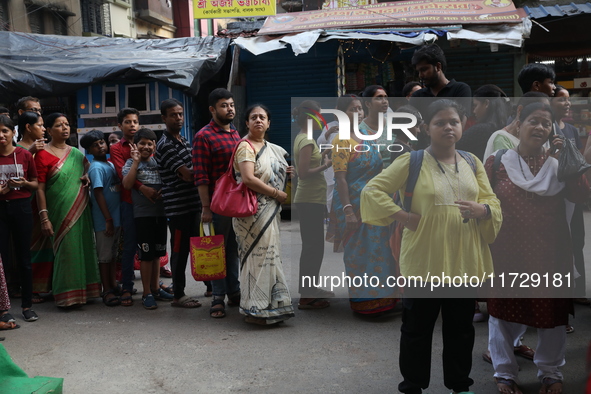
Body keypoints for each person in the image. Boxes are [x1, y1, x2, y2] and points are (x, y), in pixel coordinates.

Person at [361, 100, 501, 394]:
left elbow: (491, 200)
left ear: (462, 125)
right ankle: (412, 386)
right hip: (424, 261)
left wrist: (482, 210)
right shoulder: (411, 162)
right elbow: (373, 190)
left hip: (463, 260)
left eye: (454, 121)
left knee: (461, 330)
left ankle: (460, 385)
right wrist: (403, 216)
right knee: (416, 330)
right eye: (440, 123)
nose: (448, 127)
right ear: (427, 128)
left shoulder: (472, 163)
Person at [484, 102, 589, 394]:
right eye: (534, 121)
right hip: (506, 253)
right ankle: (504, 373)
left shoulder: (559, 166)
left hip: (550, 254)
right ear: (519, 122)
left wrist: (568, 153)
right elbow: (483, 199)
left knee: (552, 316)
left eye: (546, 123)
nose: (540, 128)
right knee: (502, 313)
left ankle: (551, 373)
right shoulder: (497, 161)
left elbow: (581, 194)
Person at [331, 96, 398, 315]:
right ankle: (363, 302)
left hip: (375, 204)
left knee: (380, 250)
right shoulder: (341, 141)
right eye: (352, 109)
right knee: (358, 252)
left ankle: (385, 301)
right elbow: (340, 179)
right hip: (353, 206)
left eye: (360, 109)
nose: (358, 113)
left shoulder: (369, 136)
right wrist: (348, 210)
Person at [231, 104, 295, 325]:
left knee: (271, 256)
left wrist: (286, 172)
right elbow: (248, 178)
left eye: (263, 117)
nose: (258, 120)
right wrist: (277, 193)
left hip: (270, 211)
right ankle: (255, 309)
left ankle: (273, 305)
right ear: (247, 123)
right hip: (251, 212)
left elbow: (273, 170)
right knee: (257, 260)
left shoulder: (273, 149)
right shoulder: (245, 147)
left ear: (268, 123)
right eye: (253, 117)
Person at [35, 113, 100, 307]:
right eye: (59, 125)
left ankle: (87, 292)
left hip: (81, 209)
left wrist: (87, 177)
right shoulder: (42, 155)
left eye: (66, 124)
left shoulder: (77, 154)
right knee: (66, 251)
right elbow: (39, 188)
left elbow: (86, 173)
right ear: (48, 130)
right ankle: (66, 295)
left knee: (84, 247)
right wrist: (44, 217)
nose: (65, 128)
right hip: (58, 211)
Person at [192, 88, 241, 319]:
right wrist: (205, 208)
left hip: (236, 204)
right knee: (216, 251)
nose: (229, 108)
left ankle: (235, 292)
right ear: (212, 109)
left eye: (231, 104)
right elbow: (200, 176)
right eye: (224, 105)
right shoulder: (204, 136)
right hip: (216, 205)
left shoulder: (235, 134)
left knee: (233, 251)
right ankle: (218, 297)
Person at [155, 99, 202, 308]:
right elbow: (188, 175)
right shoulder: (165, 145)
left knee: (199, 247)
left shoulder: (184, 140)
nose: (179, 118)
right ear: (164, 118)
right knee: (180, 251)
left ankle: (209, 285)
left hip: (193, 205)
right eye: (173, 115)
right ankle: (179, 294)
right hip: (178, 209)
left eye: (181, 114)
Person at [122, 128, 170, 310]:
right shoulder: (130, 163)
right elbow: (127, 184)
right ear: (135, 145)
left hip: (160, 214)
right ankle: (146, 293)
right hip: (142, 216)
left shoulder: (159, 163)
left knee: (158, 253)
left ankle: (156, 288)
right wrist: (135, 162)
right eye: (142, 143)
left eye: (149, 143)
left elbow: (168, 181)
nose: (146, 146)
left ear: (154, 146)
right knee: (146, 256)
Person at [292, 100, 333, 309]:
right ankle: (307, 295)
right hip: (310, 199)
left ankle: (311, 289)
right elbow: (303, 172)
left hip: (310, 199)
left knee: (313, 247)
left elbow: (309, 164)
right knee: (312, 248)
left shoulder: (304, 138)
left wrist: (324, 155)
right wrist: (326, 165)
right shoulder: (307, 140)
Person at [0, 115, 39, 322]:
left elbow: (35, 183)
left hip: (22, 207)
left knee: (25, 259)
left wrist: (23, 183)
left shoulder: (24, 155)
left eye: (5, 131)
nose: (1, 135)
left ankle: (27, 305)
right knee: (1, 260)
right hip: (0, 209)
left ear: (13, 132)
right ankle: (3, 309)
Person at [81, 130, 122, 307]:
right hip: (105, 220)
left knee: (112, 255)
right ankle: (106, 290)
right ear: (89, 150)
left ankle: (113, 284)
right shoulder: (96, 167)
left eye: (101, 142)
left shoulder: (110, 165)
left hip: (115, 218)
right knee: (104, 257)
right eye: (95, 145)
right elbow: (97, 193)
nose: (100, 146)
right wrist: (108, 219)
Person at [109, 107, 142, 306]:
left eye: (135, 122)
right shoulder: (116, 148)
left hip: (148, 203)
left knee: (150, 247)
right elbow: (123, 176)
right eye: (128, 122)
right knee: (129, 246)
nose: (132, 125)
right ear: (120, 125)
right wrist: (143, 188)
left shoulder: (145, 143)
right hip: (129, 201)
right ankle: (127, 286)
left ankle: (152, 285)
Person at [409, 44, 472, 120]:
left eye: (424, 69)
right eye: (418, 71)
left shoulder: (460, 89)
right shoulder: (417, 96)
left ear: (438, 67)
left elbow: (460, 124)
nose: (420, 75)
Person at [483, 92, 551, 160]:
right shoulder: (501, 139)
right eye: (534, 121)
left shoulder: (540, 137)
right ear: (520, 110)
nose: (540, 127)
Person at [456, 84, 510, 161]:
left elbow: (451, 147)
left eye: (475, 105)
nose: (474, 111)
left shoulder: (482, 130)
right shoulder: (505, 128)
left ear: (486, 103)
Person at [358, 85, 391, 166]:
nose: (384, 101)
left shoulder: (395, 124)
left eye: (385, 97)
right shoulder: (359, 130)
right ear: (368, 104)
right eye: (379, 98)